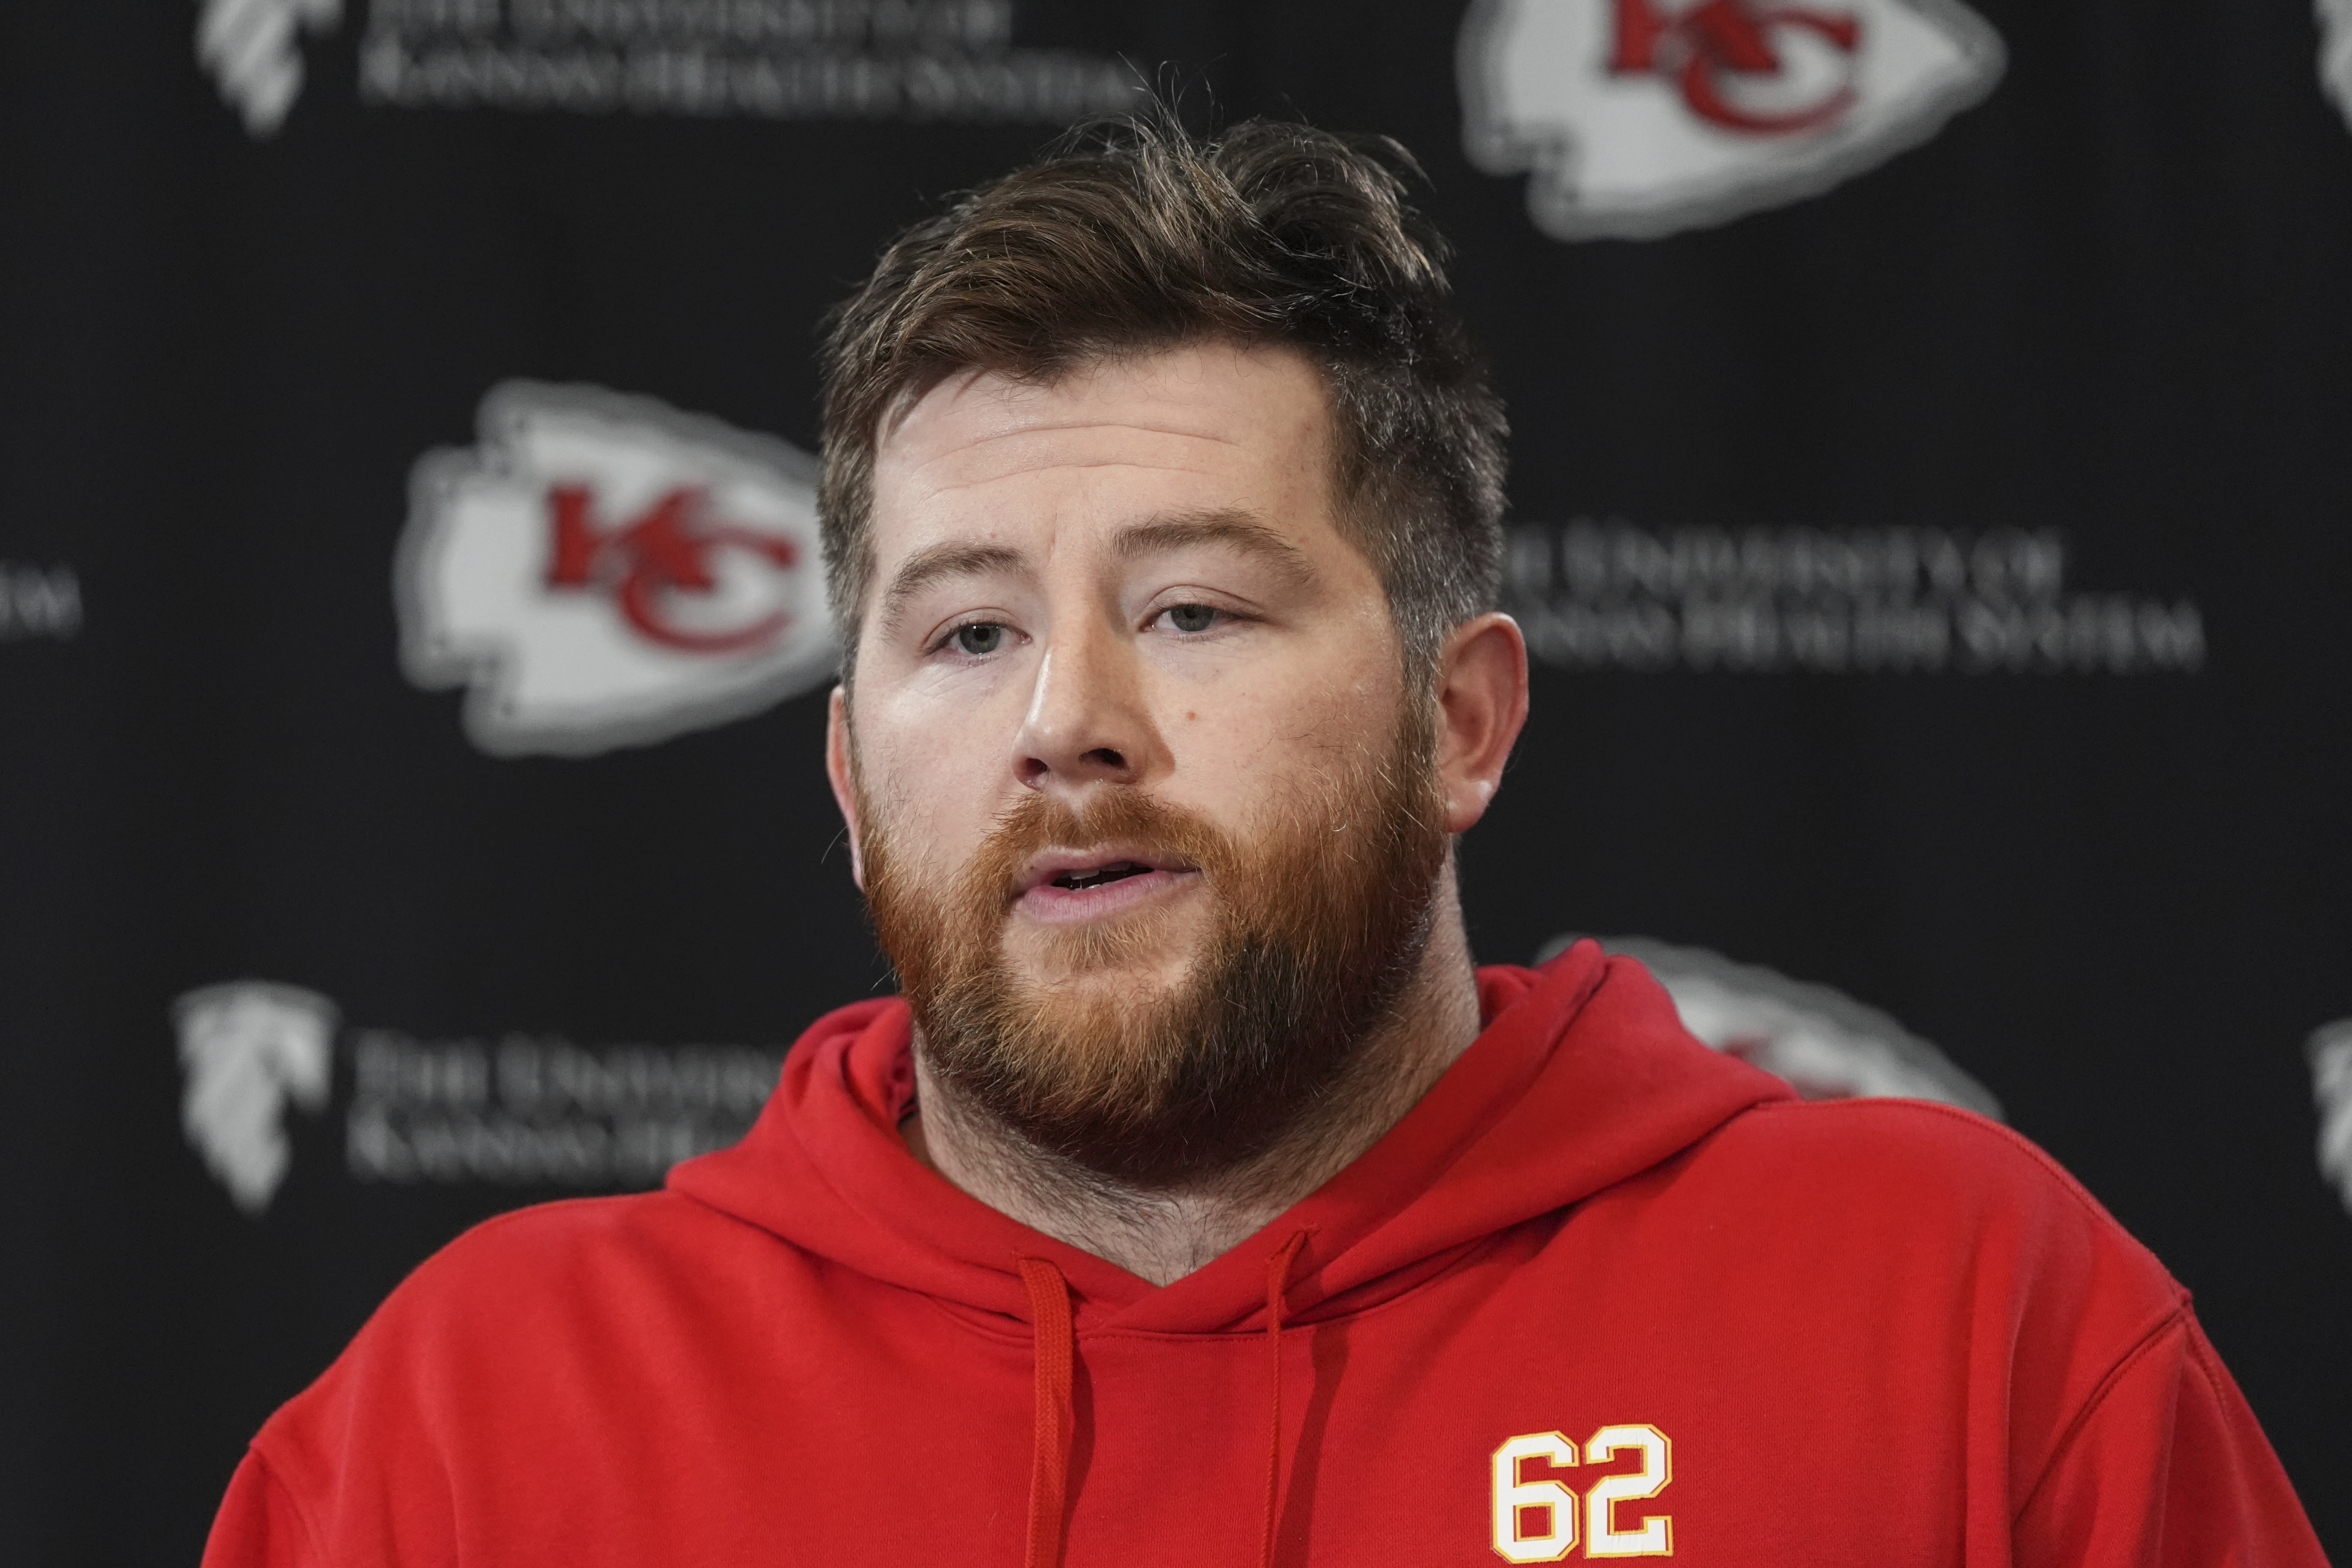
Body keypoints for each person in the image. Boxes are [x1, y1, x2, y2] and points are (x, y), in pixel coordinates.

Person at [201, 115, 2325, 1567]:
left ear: (1460, 714)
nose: (1067, 724)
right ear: (850, 773)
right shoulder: (473, 1425)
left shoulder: (1952, 1315)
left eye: (1193, 608)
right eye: (966, 631)